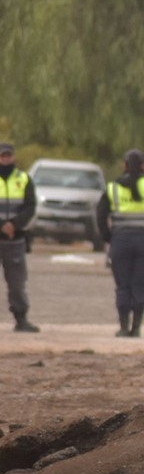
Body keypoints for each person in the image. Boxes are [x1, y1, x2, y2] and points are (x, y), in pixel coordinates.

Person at [95, 149, 144, 338]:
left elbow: (100, 214)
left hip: (121, 241)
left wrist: (107, 237)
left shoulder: (113, 188)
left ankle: (123, 326)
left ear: (125, 166)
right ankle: (136, 327)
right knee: (140, 285)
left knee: (123, 286)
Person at [0, 142, 37, 333]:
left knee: (17, 283)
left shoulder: (23, 179)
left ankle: (21, 318)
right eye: (2, 156)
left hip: (15, 238)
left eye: (8, 155)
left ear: (13, 157)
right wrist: (2, 225)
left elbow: (30, 206)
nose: (5, 159)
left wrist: (14, 224)